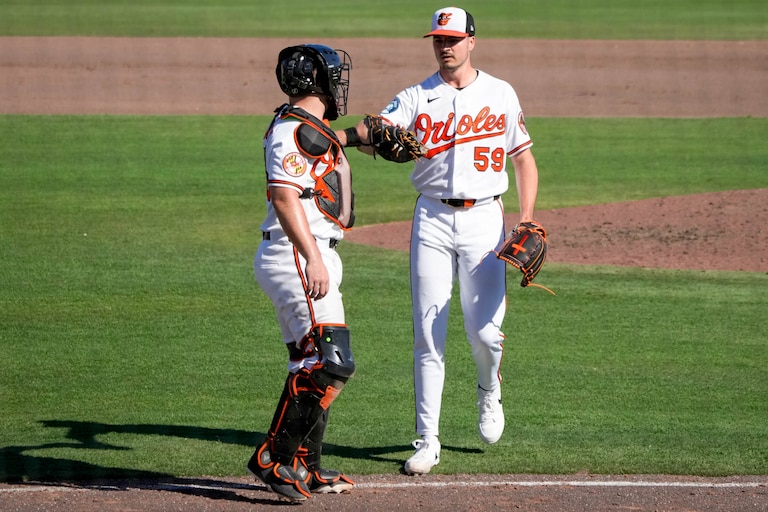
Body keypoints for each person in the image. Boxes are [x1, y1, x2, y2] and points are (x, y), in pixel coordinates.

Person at [343, 7, 542, 475]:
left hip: (485, 220)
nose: (444, 46)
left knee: (486, 334)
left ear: (471, 41)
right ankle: (427, 439)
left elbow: (525, 161)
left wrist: (528, 219)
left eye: (453, 38)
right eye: (438, 39)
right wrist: (342, 138)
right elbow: (379, 129)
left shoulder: (500, 93)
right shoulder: (417, 95)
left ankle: (489, 389)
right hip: (431, 219)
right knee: (428, 335)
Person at [246, 44, 356, 501]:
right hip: (298, 255)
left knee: (308, 362)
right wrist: (311, 256)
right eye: (335, 75)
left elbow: (328, 145)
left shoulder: (305, 128)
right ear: (321, 82)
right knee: (332, 363)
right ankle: (274, 456)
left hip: (305, 253)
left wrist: (368, 134)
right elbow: (284, 197)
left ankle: (306, 467)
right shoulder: (292, 131)